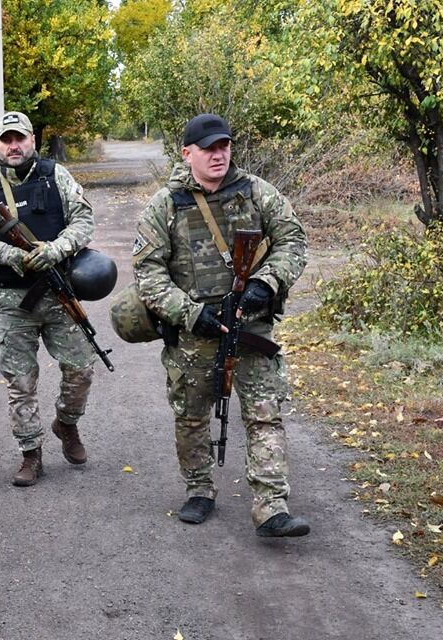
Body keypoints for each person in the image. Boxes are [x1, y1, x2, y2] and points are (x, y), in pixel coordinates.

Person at [132, 113, 310, 537]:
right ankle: (199, 489)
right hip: (195, 330)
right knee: (192, 416)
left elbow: (293, 240)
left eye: (224, 146)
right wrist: (191, 313)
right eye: (209, 148)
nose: (219, 155)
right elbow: (147, 272)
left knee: (265, 414)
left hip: (251, 324)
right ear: (187, 153)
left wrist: (267, 283)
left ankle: (271, 507)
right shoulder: (165, 205)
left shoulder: (256, 193)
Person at [0, 111, 96, 486]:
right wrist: (7, 253)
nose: (13, 146)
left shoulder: (56, 176)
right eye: (6, 140)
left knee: (81, 370)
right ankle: (31, 454)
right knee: (20, 382)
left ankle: (66, 423)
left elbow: (84, 220)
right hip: (12, 302)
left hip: (59, 293)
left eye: (20, 139)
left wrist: (57, 248)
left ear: (33, 140)